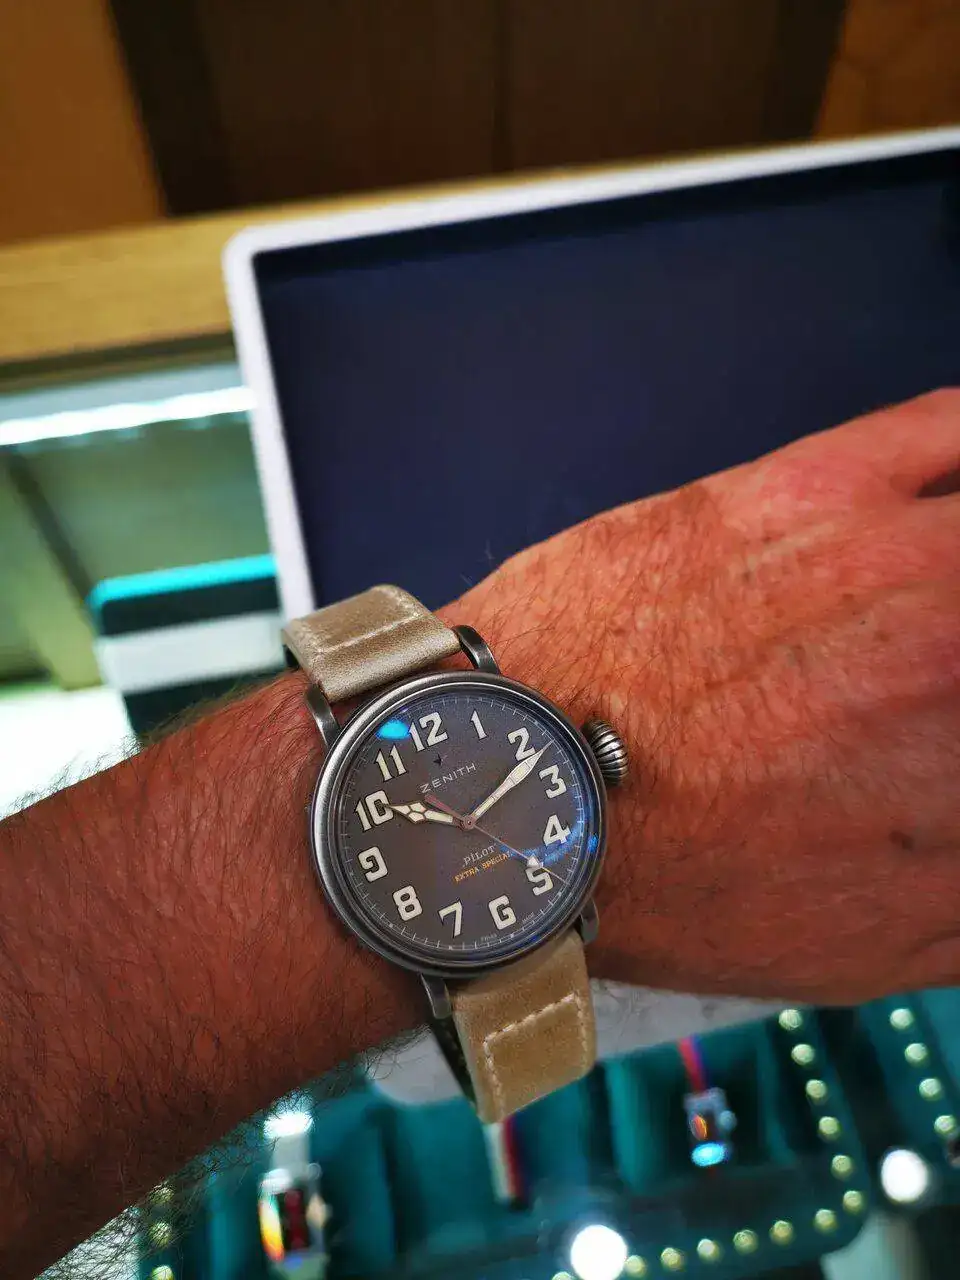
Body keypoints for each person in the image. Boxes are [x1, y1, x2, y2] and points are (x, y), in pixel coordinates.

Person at [1, 389, 958, 1278]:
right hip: (472, 900)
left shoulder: (530, 779)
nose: (462, 819)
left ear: (596, 756)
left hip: (504, 878)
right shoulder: (416, 795)